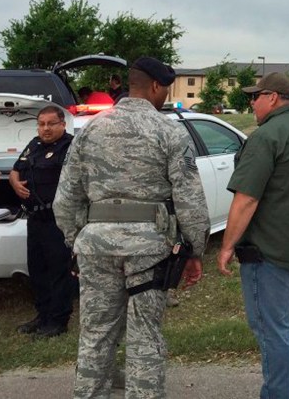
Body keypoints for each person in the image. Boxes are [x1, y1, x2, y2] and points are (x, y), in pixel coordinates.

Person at [54, 57, 209, 399]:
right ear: (155, 87)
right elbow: (189, 198)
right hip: (149, 250)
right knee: (145, 338)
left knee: (95, 335)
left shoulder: (91, 129)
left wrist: (76, 241)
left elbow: (65, 198)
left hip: (95, 245)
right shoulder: (169, 131)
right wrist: (196, 250)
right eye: (165, 89)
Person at [216, 72, 289, 399]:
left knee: (272, 329)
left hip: (269, 251)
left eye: (256, 96)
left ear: (274, 97)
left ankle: (280, 394)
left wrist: (226, 246)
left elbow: (247, 198)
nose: (251, 102)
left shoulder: (267, 137)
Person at [10, 106, 76, 338]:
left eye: (50, 124)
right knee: (37, 270)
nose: (45, 129)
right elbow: (17, 169)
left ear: (62, 124)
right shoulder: (34, 145)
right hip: (35, 219)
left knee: (59, 271)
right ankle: (43, 315)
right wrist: (15, 183)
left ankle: (58, 320)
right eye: (41, 124)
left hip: (57, 221)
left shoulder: (70, 147)